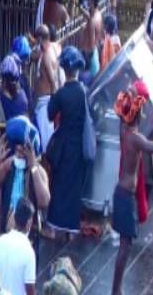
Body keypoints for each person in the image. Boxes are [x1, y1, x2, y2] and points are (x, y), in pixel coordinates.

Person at [111, 81, 153, 295]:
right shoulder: (135, 138)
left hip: (123, 194)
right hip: (125, 196)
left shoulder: (123, 129)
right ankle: (116, 291)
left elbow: (122, 109)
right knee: (125, 247)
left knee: (126, 246)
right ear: (137, 113)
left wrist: (130, 94)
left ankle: (117, 289)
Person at [44, 47, 89, 239]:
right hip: (78, 146)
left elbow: (49, 114)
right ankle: (71, 230)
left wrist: (55, 90)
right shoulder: (83, 92)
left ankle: (53, 227)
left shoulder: (62, 93)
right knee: (73, 187)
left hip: (63, 146)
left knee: (59, 185)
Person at [0, 116, 49, 237]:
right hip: (7, 226)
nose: (18, 156)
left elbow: (44, 202)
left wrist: (33, 166)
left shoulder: (39, 171)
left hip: (29, 233)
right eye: (17, 152)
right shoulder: (9, 164)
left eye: (22, 153)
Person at [0, 200, 36, 295]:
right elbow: (30, 288)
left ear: (14, 218)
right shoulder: (29, 252)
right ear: (29, 223)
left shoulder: (0, 241)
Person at [29, 25, 59, 152]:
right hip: (42, 104)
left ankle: (46, 171)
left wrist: (52, 109)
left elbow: (53, 83)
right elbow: (33, 56)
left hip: (45, 105)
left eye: (37, 39)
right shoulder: (47, 50)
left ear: (41, 39)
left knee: (45, 146)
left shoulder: (46, 56)